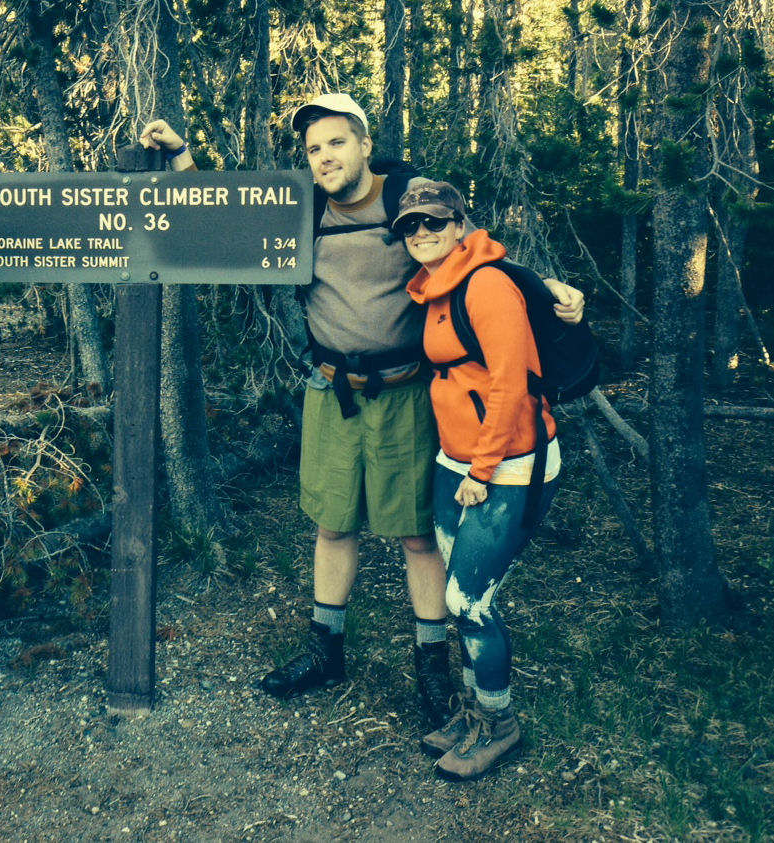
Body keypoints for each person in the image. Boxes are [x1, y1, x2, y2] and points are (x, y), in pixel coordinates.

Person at [139, 95, 583, 728]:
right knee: (331, 523)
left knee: (414, 533)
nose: (325, 157)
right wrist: (183, 157)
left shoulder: (405, 197)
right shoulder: (301, 207)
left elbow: (473, 249)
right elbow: (224, 223)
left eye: (337, 143)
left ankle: (430, 665)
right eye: (314, 148)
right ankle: (327, 651)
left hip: (406, 390)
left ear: (364, 144)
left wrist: (545, 287)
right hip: (330, 389)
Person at [397, 180, 560, 780]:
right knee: (454, 598)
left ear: (460, 224)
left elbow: (511, 386)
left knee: (470, 601)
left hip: (507, 463)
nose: (421, 234)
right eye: (410, 226)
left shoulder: (486, 284)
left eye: (433, 224)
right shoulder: (435, 287)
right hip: (454, 460)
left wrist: (483, 470)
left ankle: (499, 723)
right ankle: (470, 714)